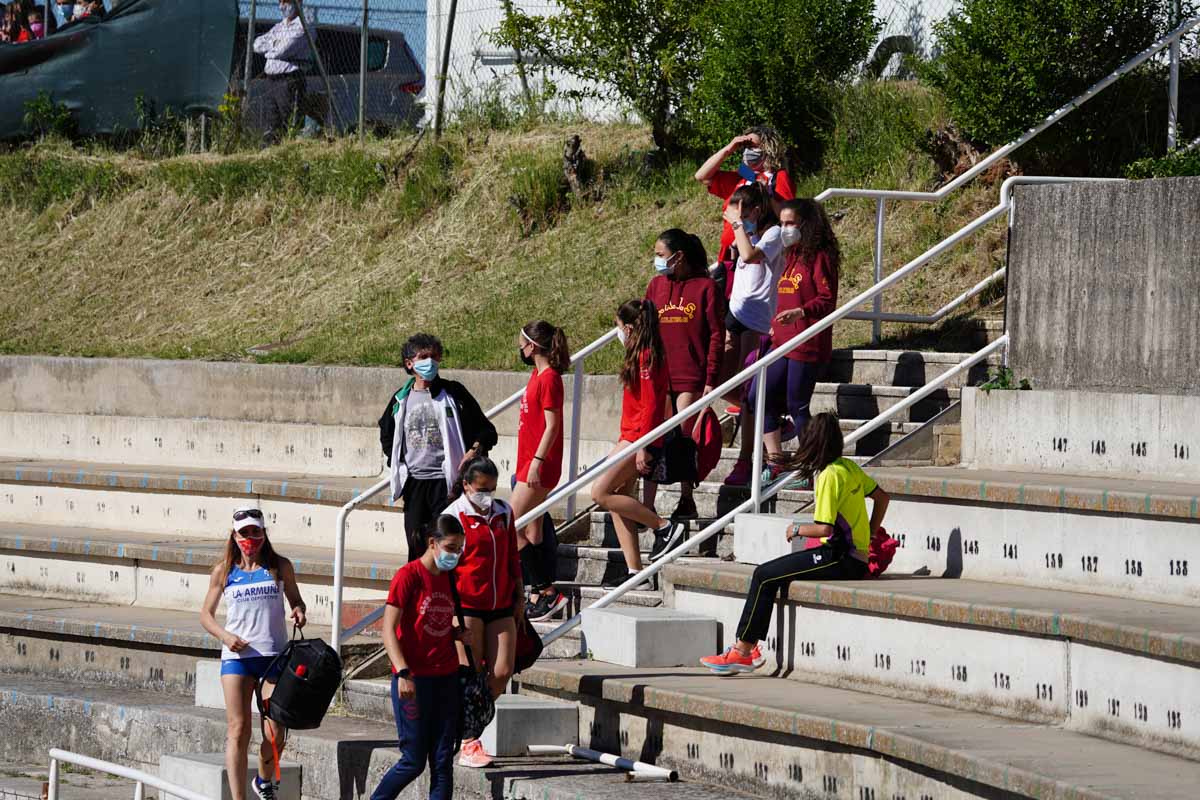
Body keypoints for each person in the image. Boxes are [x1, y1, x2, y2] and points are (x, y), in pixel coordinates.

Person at [700, 413, 890, 673]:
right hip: (852, 556)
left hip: (840, 557)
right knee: (769, 574)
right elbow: (883, 498)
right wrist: (870, 533)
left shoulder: (828, 475)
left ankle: (742, 651)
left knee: (763, 574)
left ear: (813, 441)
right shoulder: (849, 467)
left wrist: (797, 529)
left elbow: (824, 528)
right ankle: (748, 648)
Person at [199, 507, 307, 800]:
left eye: (255, 532)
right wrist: (225, 636)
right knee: (238, 729)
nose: (250, 538)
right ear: (234, 536)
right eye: (244, 533)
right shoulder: (224, 570)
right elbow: (206, 615)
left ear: (263, 533)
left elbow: (296, 599)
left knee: (276, 733)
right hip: (237, 658)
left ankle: (263, 779)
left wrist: (298, 611)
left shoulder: (280, 566)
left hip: (273, 656)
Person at [739, 199, 840, 484]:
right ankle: (776, 462)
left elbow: (827, 299)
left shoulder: (820, 257)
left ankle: (814, 467)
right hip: (781, 341)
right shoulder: (790, 255)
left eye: (790, 223)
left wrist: (802, 312)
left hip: (807, 341)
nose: (784, 229)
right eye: (781, 223)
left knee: (797, 404)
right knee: (759, 396)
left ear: (806, 224)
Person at [591, 300, 689, 583]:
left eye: (619, 326)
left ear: (630, 328)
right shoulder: (643, 353)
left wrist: (643, 446)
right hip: (631, 435)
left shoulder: (647, 356)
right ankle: (635, 572)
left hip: (638, 437)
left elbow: (651, 405)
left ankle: (664, 527)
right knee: (618, 497)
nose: (618, 332)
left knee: (600, 493)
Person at [379, 332, 497, 563]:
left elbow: (486, 431)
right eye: (423, 357)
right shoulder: (400, 398)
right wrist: (398, 465)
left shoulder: (454, 393)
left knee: (448, 545)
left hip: (447, 486)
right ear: (409, 364)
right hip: (415, 485)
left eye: (434, 356)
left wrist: (473, 451)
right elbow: (386, 435)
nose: (430, 362)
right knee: (417, 546)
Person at [369, 515, 465, 800]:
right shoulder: (408, 576)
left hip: (446, 676)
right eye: (451, 547)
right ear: (432, 543)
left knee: (443, 761)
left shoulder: (449, 577)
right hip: (414, 679)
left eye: (460, 548)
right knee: (413, 760)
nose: (456, 554)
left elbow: (436, 620)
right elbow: (388, 629)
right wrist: (402, 672)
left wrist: (456, 634)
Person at [441, 456, 522, 769]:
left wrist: (519, 596)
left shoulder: (504, 512)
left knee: (501, 671)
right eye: (481, 489)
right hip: (467, 605)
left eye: (492, 488)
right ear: (466, 485)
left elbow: (512, 556)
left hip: (501, 604)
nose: (487, 495)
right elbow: (444, 563)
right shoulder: (454, 515)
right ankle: (468, 740)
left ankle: (463, 725)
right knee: (471, 676)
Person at [642, 228, 723, 520]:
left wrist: (711, 378)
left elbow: (716, 335)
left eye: (660, 255)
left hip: (690, 375)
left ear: (678, 257)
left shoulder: (705, 287)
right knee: (653, 437)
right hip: (659, 375)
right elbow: (645, 327)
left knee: (685, 439)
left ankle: (687, 498)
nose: (657, 260)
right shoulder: (656, 286)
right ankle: (647, 505)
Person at [719, 183, 786, 485]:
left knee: (747, 394)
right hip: (735, 313)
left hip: (757, 321)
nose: (740, 220)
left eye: (744, 214)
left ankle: (746, 459)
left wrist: (737, 226)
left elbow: (749, 256)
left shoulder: (773, 234)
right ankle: (768, 417)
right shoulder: (748, 233)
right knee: (719, 383)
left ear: (757, 211)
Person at [510, 320, 571, 622]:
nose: (519, 349)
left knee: (509, 525)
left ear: (532, 346)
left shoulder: (549, 379)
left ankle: (547, 590)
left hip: (538, 465)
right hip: (528, 462)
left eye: (521, 344)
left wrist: (536, 461)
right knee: (532, 531)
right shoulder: (537, 375)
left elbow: (552, 426)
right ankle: (538, 594)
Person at [694, 125, 795, 305]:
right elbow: (702, 176)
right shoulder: (742, 177)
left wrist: (766, 191)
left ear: (767, 148)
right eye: (745, 146)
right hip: (729, 256)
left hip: (754, 257)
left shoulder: (778, 177)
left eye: (752, 146)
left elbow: (787, 215)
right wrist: (729, 148)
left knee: (744, 310)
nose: (747, 151)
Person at [250, 0, 311, 144]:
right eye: (280, 1)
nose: (282, 5)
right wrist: (274, 45)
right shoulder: (280, 26)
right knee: (272, 123)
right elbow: (257, 44)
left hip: (289, 81)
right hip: (271, 81)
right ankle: (272, 151)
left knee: (289, 122)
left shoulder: (303, 27)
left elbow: (283, 50)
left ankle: (290, 149)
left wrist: (270, 49)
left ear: (298, 2)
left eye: (286, 1)